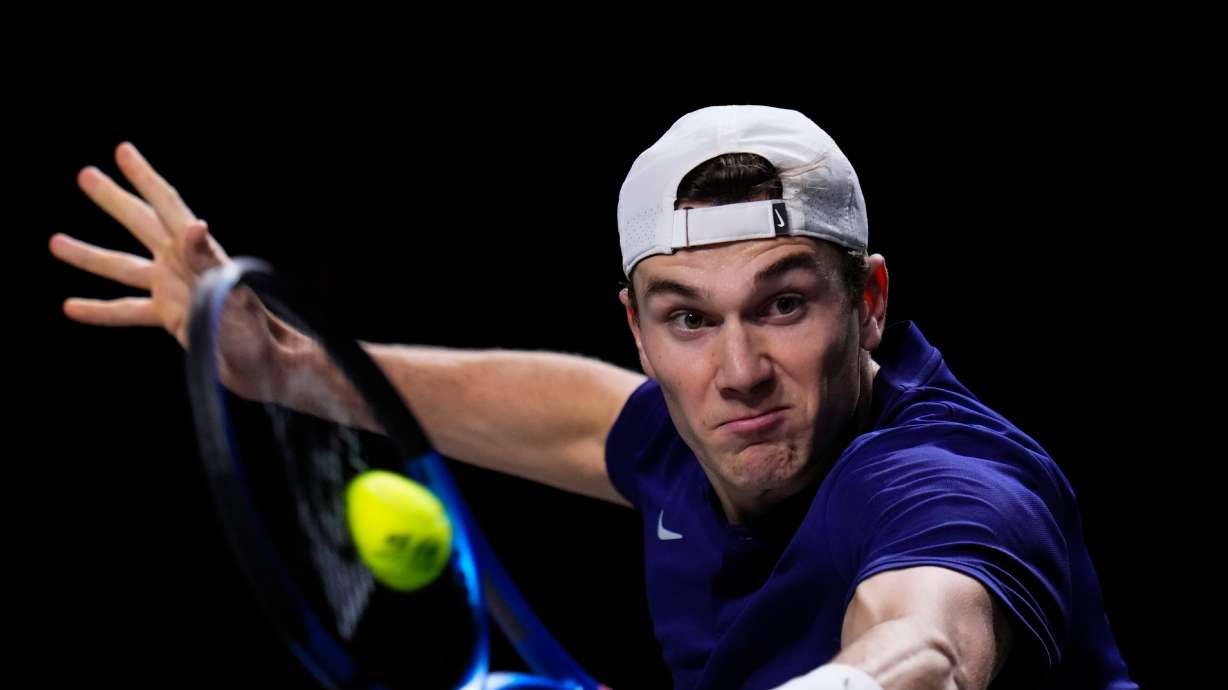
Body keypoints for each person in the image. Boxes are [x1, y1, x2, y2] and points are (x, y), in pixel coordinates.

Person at [49, 105, 1136, 689]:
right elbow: (580, 417)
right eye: (688, 318)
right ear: (638, 327)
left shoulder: (947, 486)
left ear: (870, 302)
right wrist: (288, 368)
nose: (738, 368)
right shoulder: (696, 425)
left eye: (785, 305)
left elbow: (927, 648)